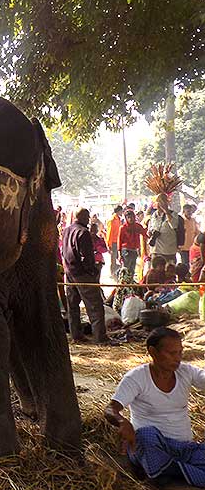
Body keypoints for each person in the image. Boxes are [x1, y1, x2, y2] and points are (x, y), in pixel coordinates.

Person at [105, 328, 205, 487]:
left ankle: (167, 473)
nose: (178, 358)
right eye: (172, 353)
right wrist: (122, 422)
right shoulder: (136, 377)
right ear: (153, 352)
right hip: (151, 447)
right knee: (145, 434)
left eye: (180, 352)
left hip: (185, 448)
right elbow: (111, 409)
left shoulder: (186, 371)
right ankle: (174, 473)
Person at [62, 208, 110, 344]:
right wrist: (92, 271)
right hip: (83, 274)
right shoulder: (83, 233)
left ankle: (76, 335)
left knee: (72, 306)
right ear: (83, 217)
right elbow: (87, 257)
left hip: (69, 272)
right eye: (87, 217)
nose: (89, 220)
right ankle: (99, 338)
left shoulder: (66, 231)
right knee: (95, 305)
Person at [147, 194, 180, 265]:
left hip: (168, 251)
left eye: (162, 202)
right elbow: (150, 229)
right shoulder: (154, 215)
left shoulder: (173, 214)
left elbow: (174, 225)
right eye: (158, 202)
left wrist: (167, 212)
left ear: (167, 203)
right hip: (156, 250)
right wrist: (150, 233)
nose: (160, 204)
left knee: (168, 273)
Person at [117, 210, 147, 279]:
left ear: (134, 217)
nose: (130, 219)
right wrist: (119, 254)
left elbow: (144, 233)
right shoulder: (123, 228)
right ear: (126, 218)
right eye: (128, 217)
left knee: (132, 269)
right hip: (126, 250)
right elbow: (120, 241)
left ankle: (130, 284)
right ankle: (124, 284)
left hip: (134, 250)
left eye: (132, 217)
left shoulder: (137, 226)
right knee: (126, 269)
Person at [106, 205, 124, 279]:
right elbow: (109, 233)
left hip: (117, 241)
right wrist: (109, 244)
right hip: (113, 242)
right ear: (118, 211)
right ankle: (112, 273)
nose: (122, 212)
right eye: (121, 211)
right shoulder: (112, 220)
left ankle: (116, 272)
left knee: (118, 258)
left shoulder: (118, 219)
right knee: (113, 259)